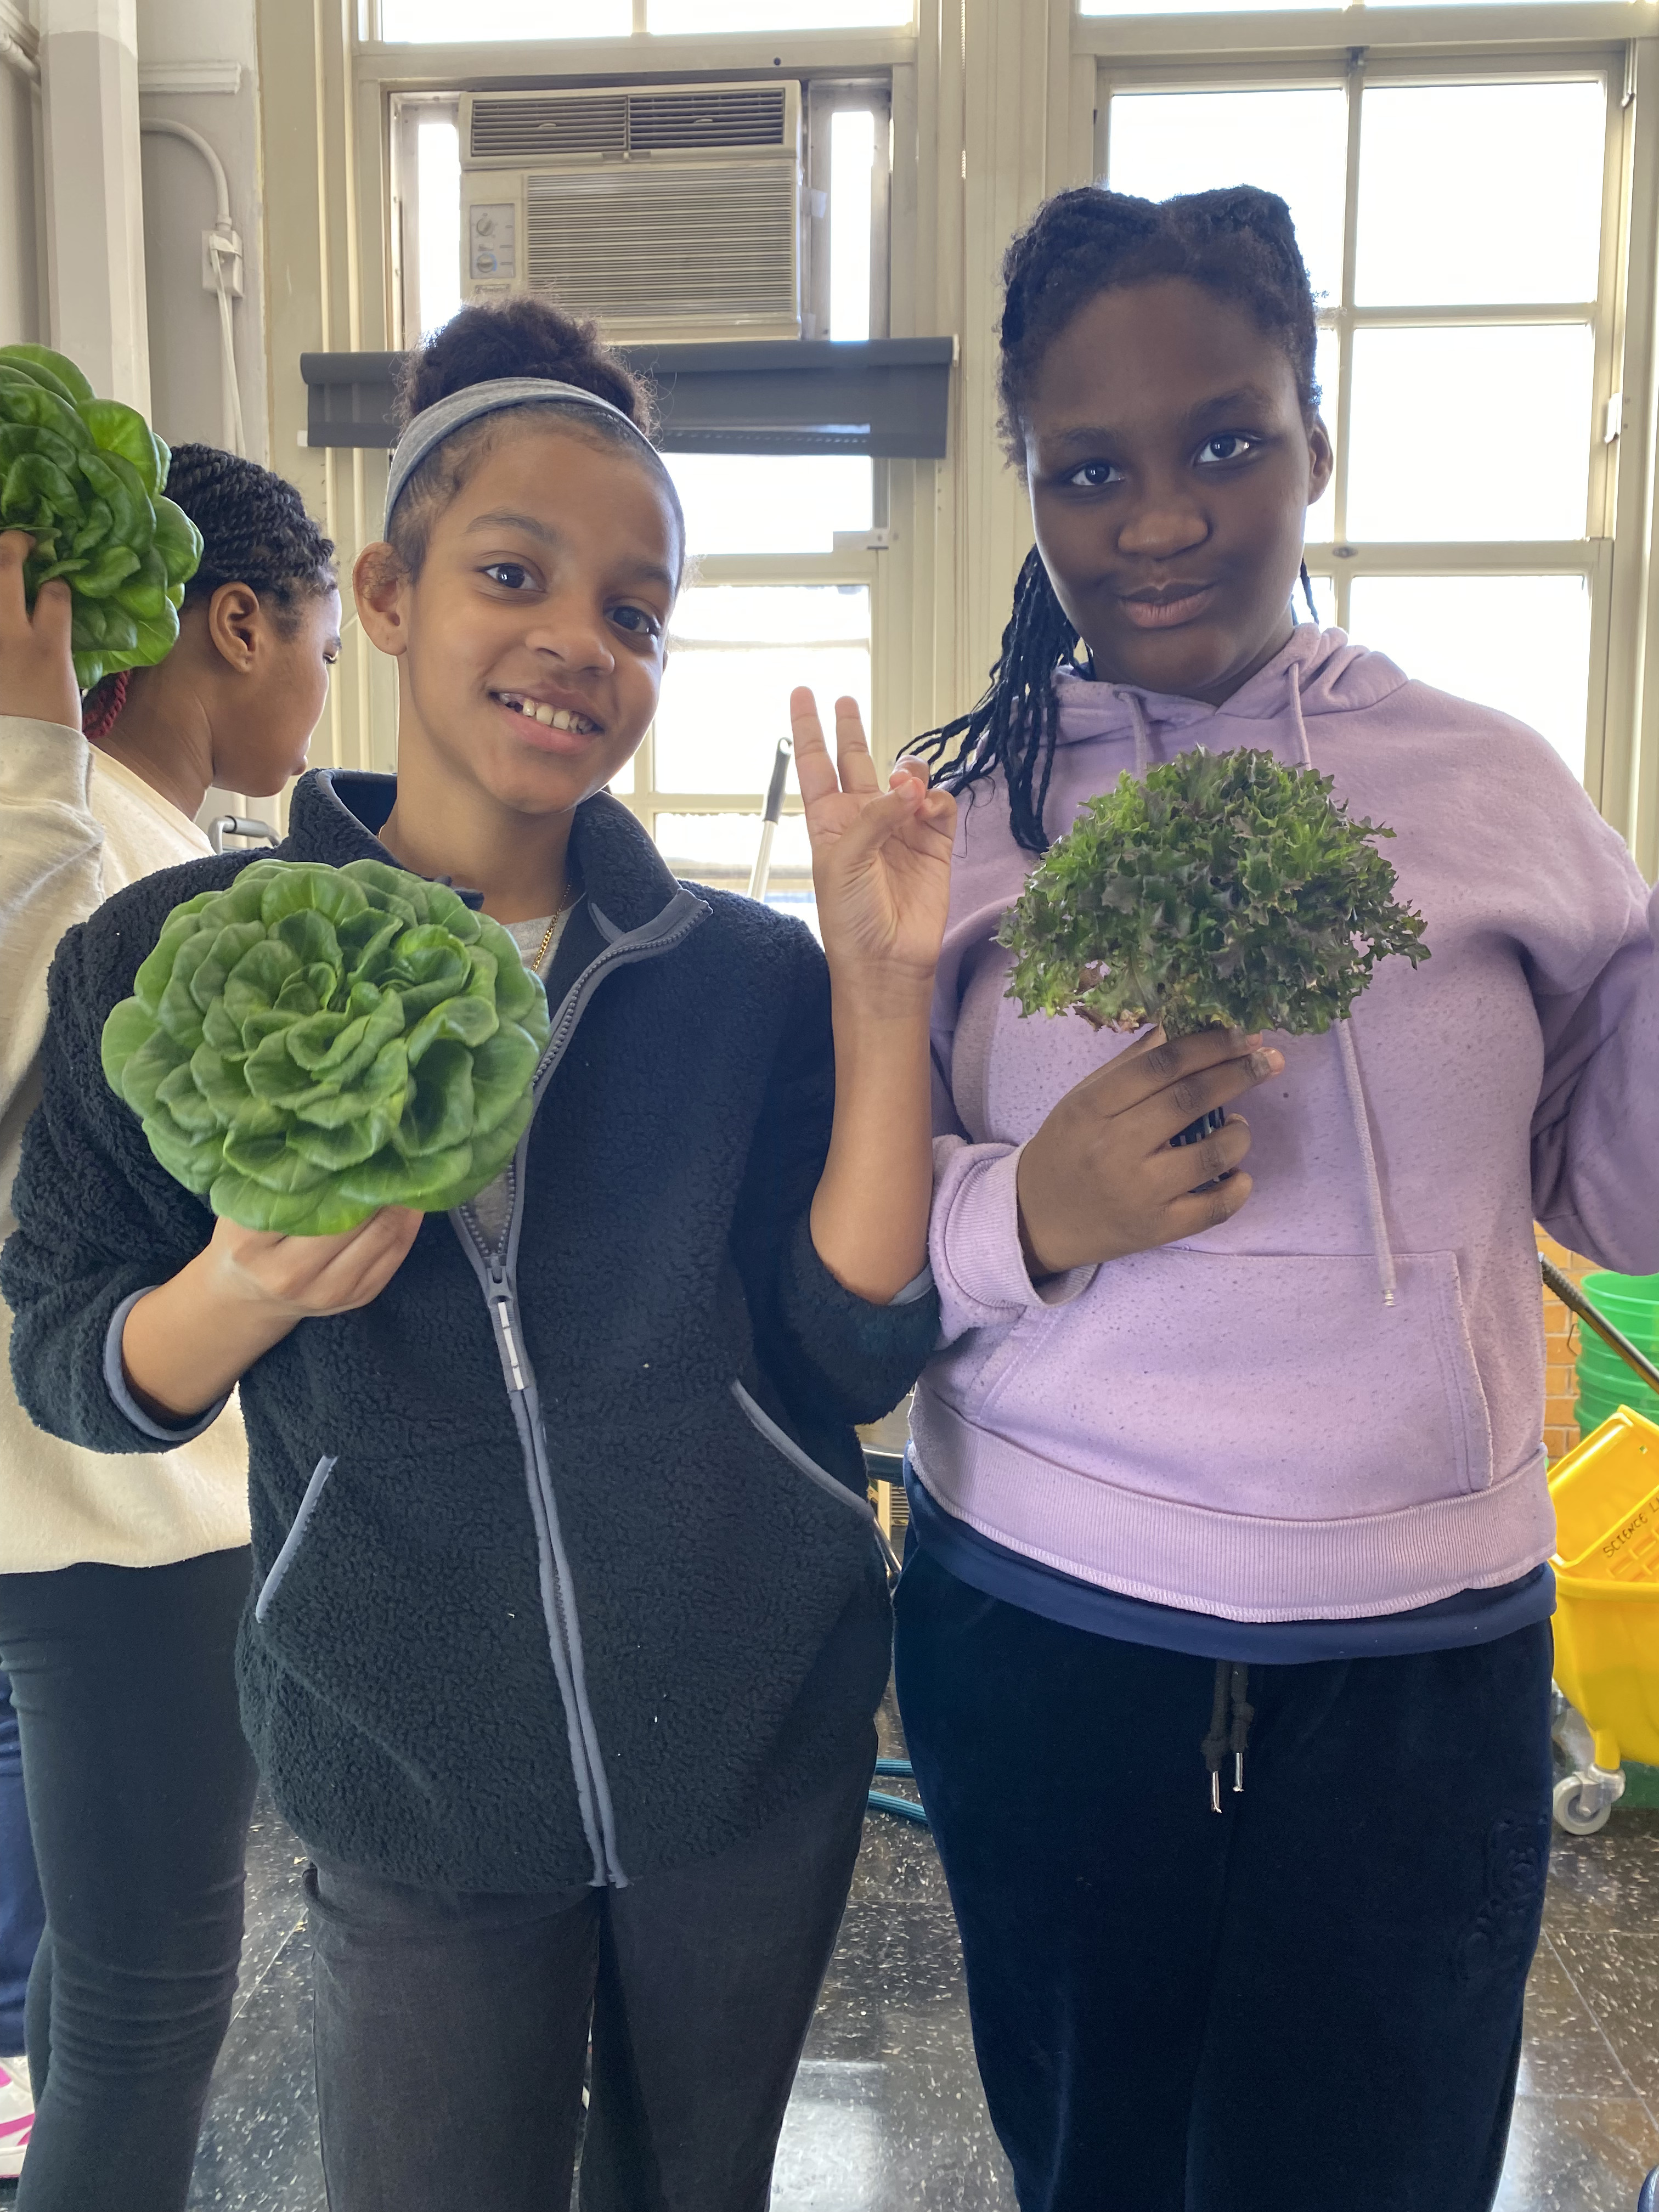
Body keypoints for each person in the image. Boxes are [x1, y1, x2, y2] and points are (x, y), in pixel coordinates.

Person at [2, 297, 957, 2212]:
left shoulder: (735, 973)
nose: (577, 644)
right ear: (388, 589)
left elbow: (851, 1350)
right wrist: (243, 1290)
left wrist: (878, 995)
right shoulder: (181, 958)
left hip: (747, 1739)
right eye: (513, 574)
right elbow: (71, 1350)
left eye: (634, 611)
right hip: (404, 1760)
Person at [893, 184, 1659, 2212]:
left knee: (1384, 2170)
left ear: (1316, 440)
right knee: (1096, 2166)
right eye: (1094, 469)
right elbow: (851, 1250)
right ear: (1031, 487)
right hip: (1046, 1622)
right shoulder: (969, 816)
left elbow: (1634, 1205)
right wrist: (1031, 1213)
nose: (1160, 517)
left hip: (1427, 1650)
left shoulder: (1495, 783)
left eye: (1226, 441)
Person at [0, 444, 340, 2209]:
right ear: (234, 619)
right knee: (151, 2006)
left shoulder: (146, 837)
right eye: (322, 641)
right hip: (125, 1512)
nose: (322, 686)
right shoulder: (87, 840)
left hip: (123, 1505)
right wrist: (30, 748)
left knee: (90, 1974)